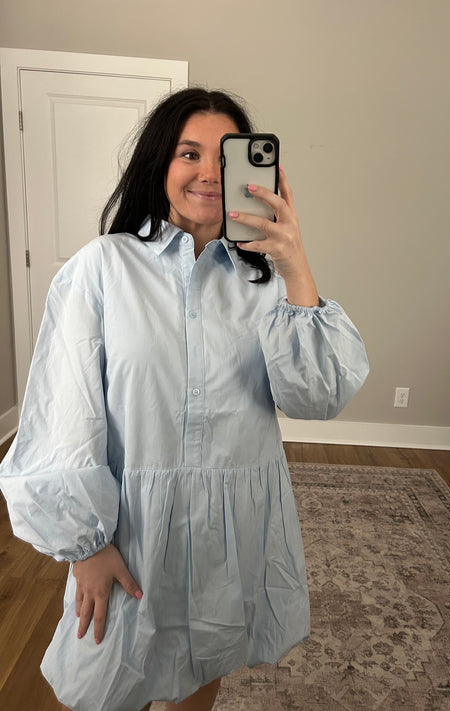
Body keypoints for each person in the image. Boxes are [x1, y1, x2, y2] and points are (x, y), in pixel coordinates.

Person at [0, 88, 369, 711]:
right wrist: (87, 547)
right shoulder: (102, 268)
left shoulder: (268, 283)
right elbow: (66, 413)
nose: (208, 173)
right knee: (108, 676)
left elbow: (317, 396)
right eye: (189, 153)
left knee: (204, 661)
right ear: (159, 163)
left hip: (231, 530)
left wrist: (295, 262)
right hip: (131, 530)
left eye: (227, 158)